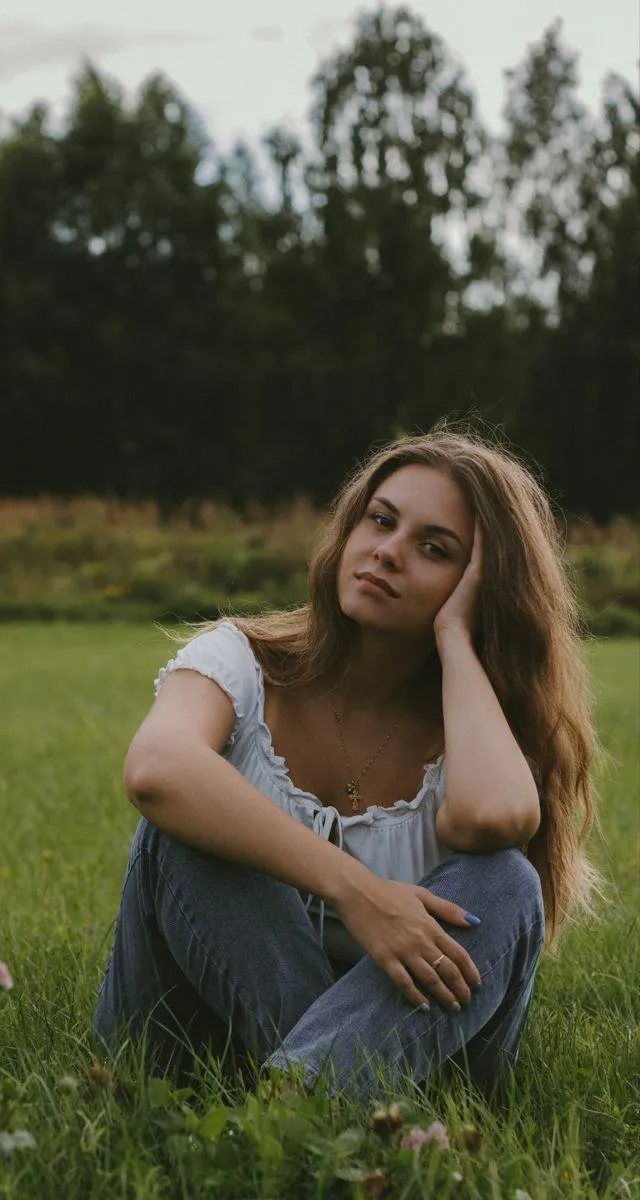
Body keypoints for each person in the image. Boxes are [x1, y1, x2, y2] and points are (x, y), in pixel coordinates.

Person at [93, 427, 598, 1099]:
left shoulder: (478, 728)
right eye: (381, 521)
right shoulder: (238, 661)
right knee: (185, 828)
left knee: (504, 880)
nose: (388, 552)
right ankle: (325, 1104)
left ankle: (298, 1098)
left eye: (434, 549)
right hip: (195, 1044)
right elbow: (158, 768)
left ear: (482, 588)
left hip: (410, 1050)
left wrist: (455, 642)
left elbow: (494, 818)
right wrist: (357, 893)